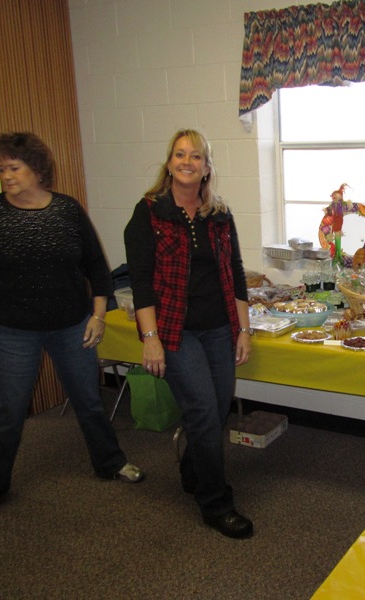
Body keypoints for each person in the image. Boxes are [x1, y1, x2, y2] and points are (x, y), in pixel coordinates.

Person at [0, 132, 144, 521]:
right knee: (8, 409)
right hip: (10, 330)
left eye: (14, 168)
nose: (6, 176)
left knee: (89, 399)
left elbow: (96, 267)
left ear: (36, 168)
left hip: (70, 325)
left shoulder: (66, 209)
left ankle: (110, 462)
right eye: (0, 169)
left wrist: (98, 315)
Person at [124, 129, 253, 539]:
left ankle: (192, 471)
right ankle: (216, 504)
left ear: (206, 167)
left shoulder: (220, 214)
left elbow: (235, 273)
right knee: (202, 411)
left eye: (196, 156)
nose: (187, 161)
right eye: (180, 154)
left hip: (219, 328)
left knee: (217, 409)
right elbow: (141, 282)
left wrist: (244, 329)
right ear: (169, 163)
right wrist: (150, 338)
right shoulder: (149, 213)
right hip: (175, 332)